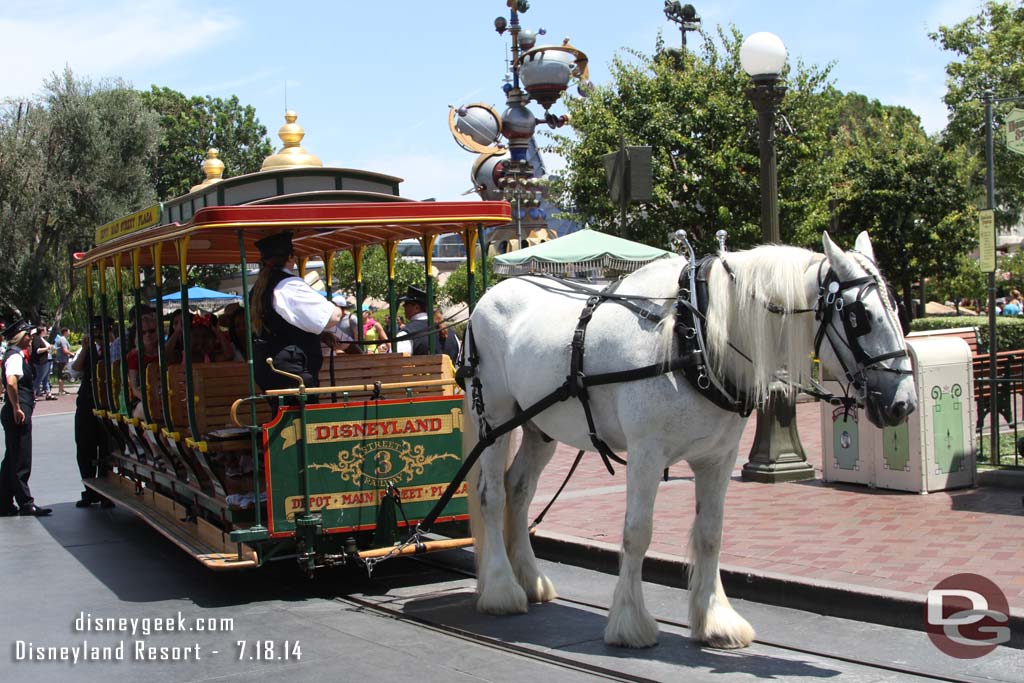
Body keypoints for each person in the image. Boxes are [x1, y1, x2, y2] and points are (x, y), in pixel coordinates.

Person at [248, 231, 351, 400]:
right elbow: (332, 318)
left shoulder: (260, 287)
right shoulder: (289, 285)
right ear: (291, 258)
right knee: (302, 421)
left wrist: (319, 334)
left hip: (271, 365)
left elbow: (283, 325)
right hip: (291, 371)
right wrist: (336, 308)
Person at [0, 320, 52, 516]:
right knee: (21, 458)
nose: (31, 338)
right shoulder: (15, 357)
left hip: (15, 410)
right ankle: (25, 502)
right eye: (28, 335)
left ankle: (3, 501)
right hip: (18, 412)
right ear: (21, 337)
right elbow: (11, 382)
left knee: (11, 459)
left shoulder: (15, 355)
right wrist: (17, 407)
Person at [71, 321, 113, 508]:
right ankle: (89, 489)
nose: (98, 334)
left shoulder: (113, 346)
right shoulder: (88, 349)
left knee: (106, 445)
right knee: (84, 445)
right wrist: (86, 348)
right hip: (88, 398)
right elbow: (76, 369)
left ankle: (106, 490)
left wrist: (108, 342)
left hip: (106, 400)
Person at [125, 314, 160, 420]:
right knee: (147, 408)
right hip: (141, 400)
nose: (148, 335)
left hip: (163, 397)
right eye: (143, 332)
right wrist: (150, 399)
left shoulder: (163, 353)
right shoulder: (134, 356)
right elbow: (134, 388)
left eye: (151, 331)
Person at [394, 285, 433, 356]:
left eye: (406, 303)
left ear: (416, 308)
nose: (403, 306)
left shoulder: (406, 334)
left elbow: (395, 363)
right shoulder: (451, 333)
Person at [30, 325, 55, 400]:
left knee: (45, 378)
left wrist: (50, 349)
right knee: (39, 377)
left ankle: (48, 393)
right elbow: (37, 350)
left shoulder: (42, 339)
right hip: (41, 362)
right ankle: (33, 393)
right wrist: (47, 348)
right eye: (45, 330)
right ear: (42, 331)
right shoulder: (37, 339)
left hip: (47, 360)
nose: (46, 331)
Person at [53, 327, 71, 396]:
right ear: (65, 332)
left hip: (61, 359)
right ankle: (60, 391)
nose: (69, 332)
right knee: (61, 375)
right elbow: (65, 350)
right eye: (69, 331)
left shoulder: (62, 339)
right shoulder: (63, 340)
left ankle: (62, 389)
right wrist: (72, 353)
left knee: (62, 374)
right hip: (62, 360)